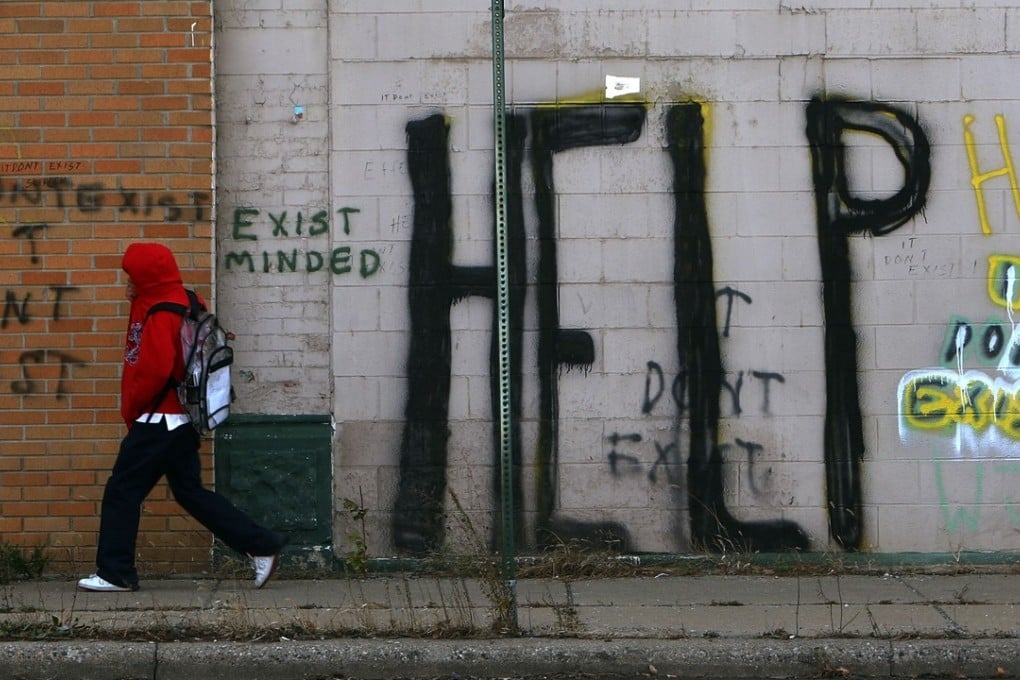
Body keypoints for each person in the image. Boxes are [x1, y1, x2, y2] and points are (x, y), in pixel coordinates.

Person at [78, 242, 286, 592]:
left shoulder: (161, 312)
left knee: (122, 491)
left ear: (147, 276)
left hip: (160, 419)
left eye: (132, 276)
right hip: (184, 419)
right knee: (189, 492)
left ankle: (115, 573)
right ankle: (261, 544)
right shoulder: (185, 300)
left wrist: (133, 410)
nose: (127, 282)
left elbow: (155, 369)